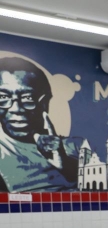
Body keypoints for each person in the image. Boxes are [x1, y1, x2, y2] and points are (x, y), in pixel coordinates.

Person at [0, 56, 81, 192]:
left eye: (27, 98)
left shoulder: (77, 146)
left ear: (44, 102)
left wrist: (65, 165)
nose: (16, 109)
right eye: (3, 97)